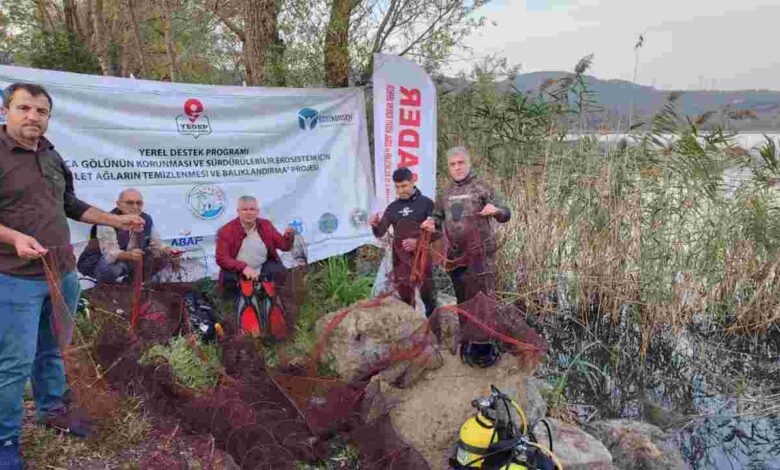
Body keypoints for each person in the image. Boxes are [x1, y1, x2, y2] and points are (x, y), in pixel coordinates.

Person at [0, 82, 145, 469]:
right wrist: (13, 237)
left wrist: (116, 218)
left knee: (53, 350)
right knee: (14, 362)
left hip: (62, 274)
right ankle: (5, 440)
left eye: (41, 111)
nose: (33, 117)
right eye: (24, 108)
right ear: (6, 110)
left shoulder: (50, 154)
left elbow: (70, 204)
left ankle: (52, 410)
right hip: (13, 279)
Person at [422, 146, 511, 304]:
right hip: (455, 257)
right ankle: (465, 328)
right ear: (449, 167)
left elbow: (506, 214)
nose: (457, 167)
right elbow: (437, 217)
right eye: (453, 164)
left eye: (461, 163)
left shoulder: (482, 187)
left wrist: (496, 210)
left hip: (481, 256)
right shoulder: (446, 192)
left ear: (469, 163)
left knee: (483, 300)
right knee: (462, 299)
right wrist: (430, 223)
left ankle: (484, 328)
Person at [370, 167, 438, 317]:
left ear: (413, 181)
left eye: (404, 186)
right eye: (398, 187)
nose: (401, 190)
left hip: (422, 257)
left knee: (429, 297)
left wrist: (417, 242)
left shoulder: (426, 204)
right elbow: (380, 232)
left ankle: (434, 332)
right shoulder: (392, 208)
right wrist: (374, 225)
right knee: (405, 298)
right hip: (400, 259)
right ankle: (410, 332)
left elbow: (438, 232)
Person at [77, 188, 175, 283]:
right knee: (112, 268)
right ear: (119, 205)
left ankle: (128, 286)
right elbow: (110, 254)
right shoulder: (107, 220)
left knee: (161, 259)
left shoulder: (146, 219)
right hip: (97, 262)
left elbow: (156, 244)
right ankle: (106, 288)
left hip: (129, 259)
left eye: (139, 203)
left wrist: (166, 250)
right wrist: (129, 255)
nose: (135, 207)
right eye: (130, 203)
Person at [215, 195, 295, 295]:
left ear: (257, 211)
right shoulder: (225, 231)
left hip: (262, 266)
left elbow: (284, 246)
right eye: (245, 209)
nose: (249, 213)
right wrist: (243, 267)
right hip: (238, 270)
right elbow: (221, 258)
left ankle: (266, 292)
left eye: (252, 209)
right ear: (238, 211)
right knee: (229, 279)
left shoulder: (266, 225)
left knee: (278, 271)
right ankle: (235, 297)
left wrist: (288, 237)